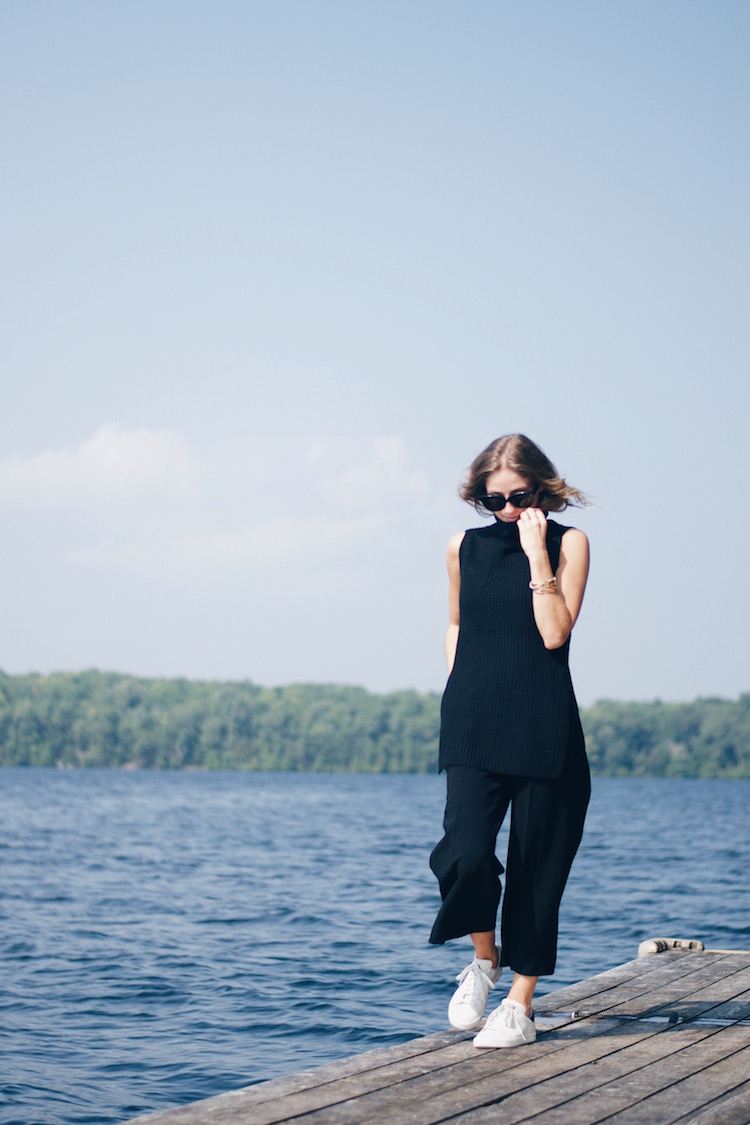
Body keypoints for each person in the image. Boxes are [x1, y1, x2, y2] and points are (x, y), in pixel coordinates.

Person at [429, 433, 591, 1049]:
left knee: (537, 868)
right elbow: (456, 623)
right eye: (492, 499)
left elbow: (554, 634)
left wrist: (535, 555)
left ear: (541, 489)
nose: (507, 510)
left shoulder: (567, 543)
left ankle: (520, 1002)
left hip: (544, 724)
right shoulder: (461, 548)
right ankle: (484, 958)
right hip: (473, 719)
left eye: (519, 497)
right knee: (465, 852)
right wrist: (460, 685)